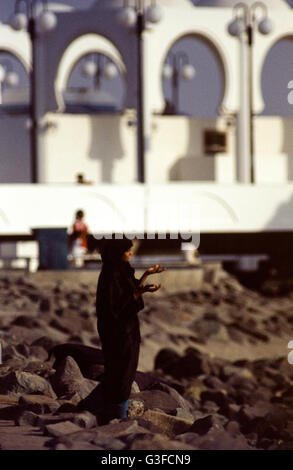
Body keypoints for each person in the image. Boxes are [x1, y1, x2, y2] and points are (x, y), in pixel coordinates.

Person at [95, 237, 166, 424]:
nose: (130, 253)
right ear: (118, 252)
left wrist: (146, 276)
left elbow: (130, 290)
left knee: (127, 367)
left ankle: (115, 411)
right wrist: (141, 292)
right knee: (121, 370)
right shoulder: (110, 274)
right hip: (116, 330)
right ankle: (117, 414)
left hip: (127, 328)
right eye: (127, 250)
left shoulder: (122, 270)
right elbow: (117, 304)